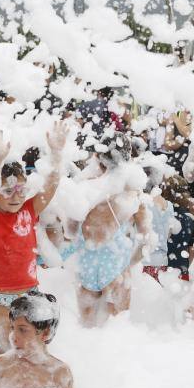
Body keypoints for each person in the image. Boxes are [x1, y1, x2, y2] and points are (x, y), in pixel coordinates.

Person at [0, 123, 68, 348]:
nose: (16, 196)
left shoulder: (29, 210)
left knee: (30, 349)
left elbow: (50, 188)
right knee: (3, 349)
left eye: (21, 189)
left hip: (29, 292)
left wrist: (57, 155)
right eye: (8, 191)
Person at [61, 133, 150, 327]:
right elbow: (145, 233)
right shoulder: (132, 190)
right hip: (115, 258)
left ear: (98, 157)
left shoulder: (86, 187)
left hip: (88, 259)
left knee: (86, 323)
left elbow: (69, 229)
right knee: (120, 324)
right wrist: (133, 259)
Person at [0, 290, 74, 388]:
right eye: (13, 328)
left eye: (22, 330)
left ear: (45, 333)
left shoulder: (58, 374)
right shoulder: (0, 366)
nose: (13, 336)